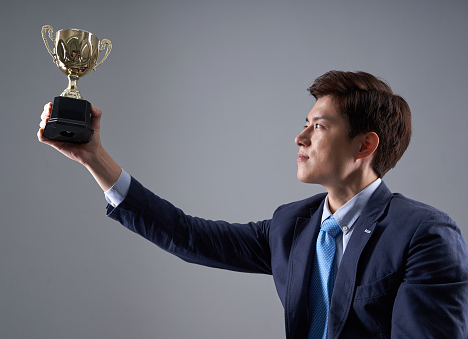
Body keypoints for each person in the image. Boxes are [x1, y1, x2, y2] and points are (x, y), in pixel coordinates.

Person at [38, 70, 468, 338]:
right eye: (304, 124)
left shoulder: (423, 235)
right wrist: (94, 157)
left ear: (365, 144)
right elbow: (188, 235)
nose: (300, 138)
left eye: (318, 126)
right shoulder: (292, 225)